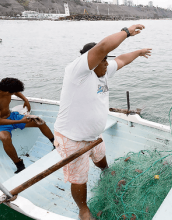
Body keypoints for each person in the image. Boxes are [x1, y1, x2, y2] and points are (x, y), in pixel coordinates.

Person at [53, 24, 151, 220]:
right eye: (103, 59)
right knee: (79, 178)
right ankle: (83, 209)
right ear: (92, 59)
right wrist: (126, 32)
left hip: (93, 136)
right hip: (72, 138)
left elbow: (121, 59)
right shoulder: (77, 72)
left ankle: (106, 171)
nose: (106, 63)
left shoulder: (103, 71)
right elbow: (104, 47)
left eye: (107, 60)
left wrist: (139, 52)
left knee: (100, 155)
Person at [0, 77, 55, 174]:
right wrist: (19, 121)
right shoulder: (6, 92)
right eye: (13, 93)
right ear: (8, 92)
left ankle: (55, 143)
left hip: (11, 116)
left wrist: (25, 100)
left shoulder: (6, 90)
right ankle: (19, 164)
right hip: (1, 123)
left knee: (39, 121)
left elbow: (16, 92)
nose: (14, 94)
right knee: (5, 138)